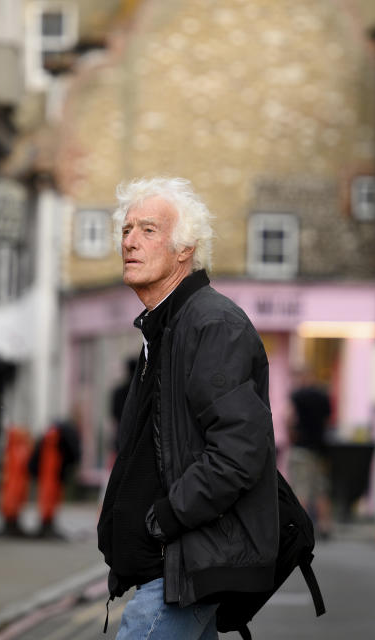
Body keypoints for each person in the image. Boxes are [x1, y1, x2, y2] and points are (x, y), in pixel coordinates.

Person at [96, 177, 278, 640]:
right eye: (126, 230)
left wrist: (164, 518)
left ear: (184, 249)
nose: (130, 241)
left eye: (149, 230)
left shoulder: (211, 324)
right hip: (176, 566)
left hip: (188, 568)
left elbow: (239, 451)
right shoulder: (164, 331)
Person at [286, 373, 333, 537]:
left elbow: (290, 418)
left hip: (301, 449)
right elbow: (328, 421)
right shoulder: (324, 397)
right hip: (319, 450)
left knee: (301, 488)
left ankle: (303, 526)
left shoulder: (297, 396)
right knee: (320, 489)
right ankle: (324, 526)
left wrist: (292, 435)